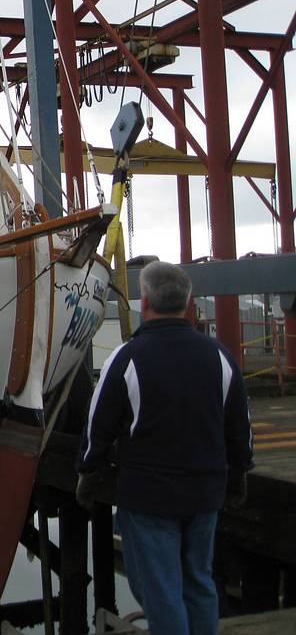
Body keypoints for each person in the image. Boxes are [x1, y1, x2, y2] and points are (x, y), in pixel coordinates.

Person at [76, 261, 253, 635]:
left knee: (161, 590)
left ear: (146, 303)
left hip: (149, 496)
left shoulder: (126, 357)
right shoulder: (220, 357)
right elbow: (240, 427)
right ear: (188, 303)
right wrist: (239, 473)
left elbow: (99, 425)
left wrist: (88, 470)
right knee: (199, 582)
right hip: (205, 492)